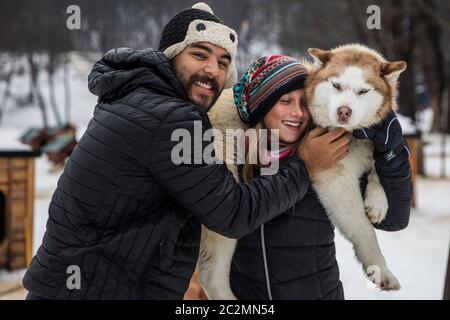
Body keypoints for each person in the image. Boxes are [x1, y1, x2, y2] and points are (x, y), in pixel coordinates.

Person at [22, 3, 350, 300]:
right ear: (170, 54)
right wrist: (305, 165)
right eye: (199, 55)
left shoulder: (133, 99)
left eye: (223, 62)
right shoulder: (171, 118)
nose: (212, 70)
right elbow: (231, 213)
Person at [228, 55, 413, 300]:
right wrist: (305, 166)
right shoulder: (230, 154)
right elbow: (234, 213)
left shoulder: (330, 150)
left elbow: (394, 220)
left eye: (304, 102)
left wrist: (392, 153)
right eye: (285, 101)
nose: (297, 113)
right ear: (262, 105)